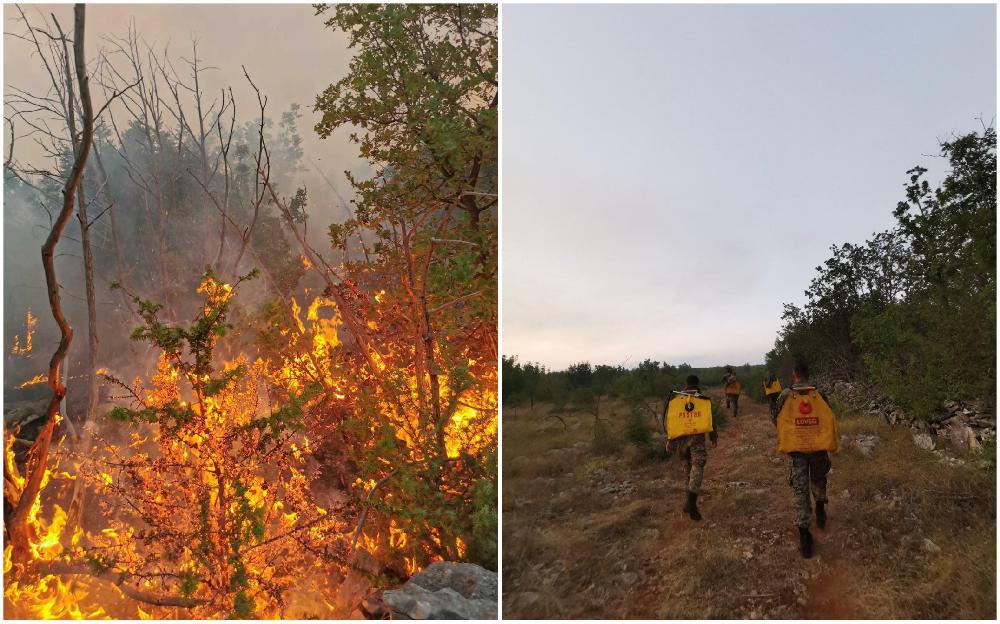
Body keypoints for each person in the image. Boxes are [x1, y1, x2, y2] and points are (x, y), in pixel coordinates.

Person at [771, 362, 834, 559]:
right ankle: (821, 509)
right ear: (808, 374)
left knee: (800, 490)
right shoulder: (819, 393)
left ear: (794, 375)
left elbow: (776, 419)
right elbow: (828, 417)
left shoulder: (785, 395)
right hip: (817, 447)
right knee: (818, 478)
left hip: (797, 449)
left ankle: (805, 540)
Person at [665, 374, 717, 521]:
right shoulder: (702, 400)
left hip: (681, 442)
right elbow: (709, 420)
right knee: (697, 466)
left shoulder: (677, 400)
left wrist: (670, 440)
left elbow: (672, 422)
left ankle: (688, 504)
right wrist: (713, 437)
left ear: (686, 384)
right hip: (697, 440)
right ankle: (692, 504)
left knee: (688, 470)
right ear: (697, 384)